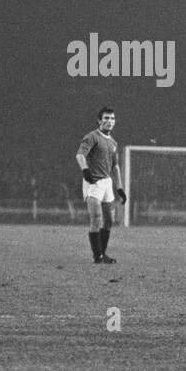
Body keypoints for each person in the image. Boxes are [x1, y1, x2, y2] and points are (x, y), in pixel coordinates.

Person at [75, 107, 126, 263]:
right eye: (106, 118)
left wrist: (120, 188)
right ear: (99, 120)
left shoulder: (113, 142)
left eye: (112, 119)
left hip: (107, 183)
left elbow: (115, 167)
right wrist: (85, 170)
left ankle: (102, 254)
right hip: (93, 183)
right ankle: (97, 257)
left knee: (109, 220)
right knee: (96, 217)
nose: (109, 121)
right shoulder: (92, 137)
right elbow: (80, 155)